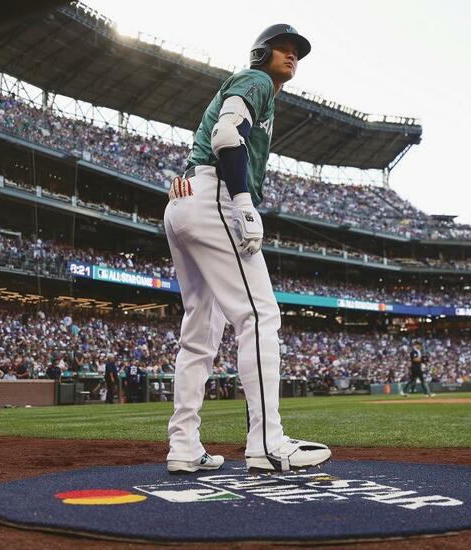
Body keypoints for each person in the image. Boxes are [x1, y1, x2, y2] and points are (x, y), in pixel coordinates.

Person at [163, 24, 330, 474]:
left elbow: (210, 141)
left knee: (200, 332)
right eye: (284, 48)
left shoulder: (256, 89)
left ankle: (183, 446)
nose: (292, 55)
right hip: (215, 199)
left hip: (188, 200)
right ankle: (267, 443)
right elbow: (225, 136)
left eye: (297, 52)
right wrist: (241, 202)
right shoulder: (255, 80)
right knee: (259, 316)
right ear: (262, 52)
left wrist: (201, 188)